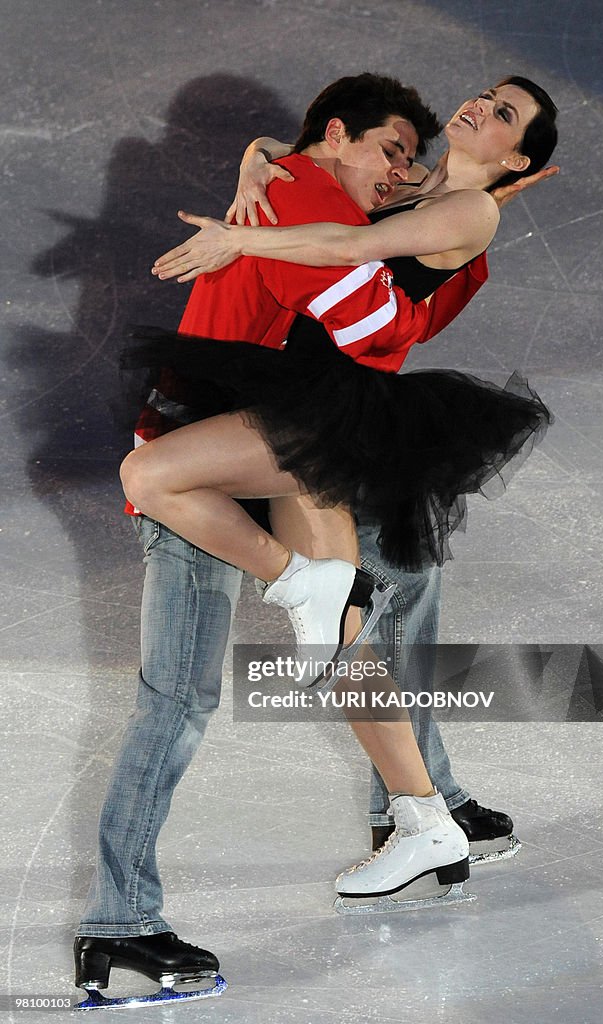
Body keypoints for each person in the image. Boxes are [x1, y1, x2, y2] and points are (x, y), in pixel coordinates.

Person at [74, 72, 465, 1005]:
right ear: (337, 134)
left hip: (270, 448)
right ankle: (119, 927)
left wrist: (396, 218)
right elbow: (375, 330)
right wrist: (413, 248)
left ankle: (422, 817)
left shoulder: (291, 181)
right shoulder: (304, 193)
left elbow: (342, 280)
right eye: (389, 150)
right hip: (209, 466)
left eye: (413, 159)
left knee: (346, 632)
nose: (399, 170)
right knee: (179, 701)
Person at [119, 74, 557, 897]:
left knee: (150, 473)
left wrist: (238, 240)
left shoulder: (472, 211)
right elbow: (311, 158)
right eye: (485, 95)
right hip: (302, 397)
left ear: (517, 158)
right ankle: (424, 818)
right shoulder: (423, 183)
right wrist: (258, 164)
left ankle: (295, 583)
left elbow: (349, 247)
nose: (477, 108)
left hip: (326, 408)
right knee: (341, 638)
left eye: (503, 116)